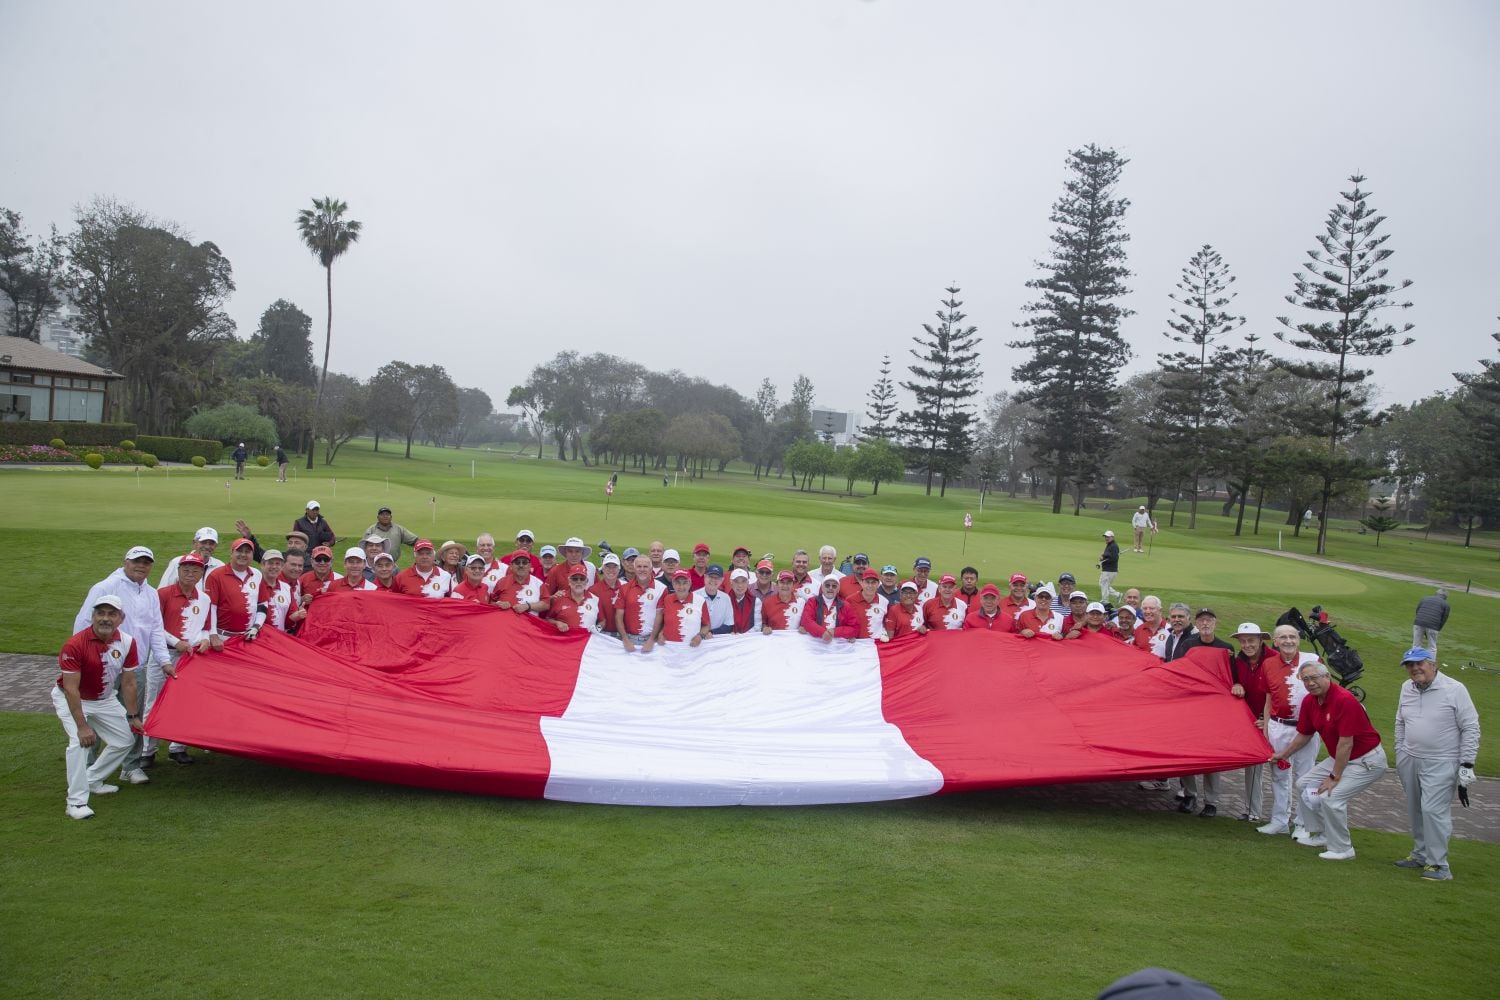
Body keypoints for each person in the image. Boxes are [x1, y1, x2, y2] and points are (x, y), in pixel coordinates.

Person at [1271, 661, 1389, 860]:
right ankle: (1323, 834)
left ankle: (1343, 848)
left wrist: (1335, 776)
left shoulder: (1345, 700)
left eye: (1314, 678)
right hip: (1342, 757)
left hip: (1367, 760)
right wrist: (1284, 754)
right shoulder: (1310, 701)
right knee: (1303, 784)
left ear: (1327, 677)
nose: (1310, 683)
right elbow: (1304, 734)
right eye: (1306, 679)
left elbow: (1346, 744)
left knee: (1332, 798)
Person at [74, 545, 171, 786]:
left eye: (146, 562)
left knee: (133, 715)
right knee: (95, 716)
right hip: (102, 665)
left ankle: (130, 766)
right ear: (125, 562)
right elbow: (83, 622)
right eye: (136, 561)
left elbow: (156, 629)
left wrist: (164, 661)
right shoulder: (106, 586)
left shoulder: (150, 593)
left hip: (134, 665)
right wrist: (84, 659)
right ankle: (88, 767)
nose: (141, 566)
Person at [1392, 647, 1481, 881]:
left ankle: (1439, 865)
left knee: (1433, 811)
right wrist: (1400, 751)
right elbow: (1400, 721)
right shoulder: (1406, 688)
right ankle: (1420, 854)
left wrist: (1467, 764)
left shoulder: (1455, 689)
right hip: (1409, 758)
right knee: (1416, 809)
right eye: (1409, 665)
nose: (1414, 668)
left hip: (1442, 761)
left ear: (1433, 664)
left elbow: (1471, 727)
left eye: (1419, 663)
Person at [54, 595, 141, 819]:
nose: (105, 619)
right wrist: (82, 727)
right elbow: (72, 689)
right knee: (79, 744)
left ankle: (91, 779)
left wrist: (133, 716)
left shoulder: (128, 642)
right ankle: (75, 802)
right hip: (72, 698)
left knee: (124, 741)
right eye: (100, 613)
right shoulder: (74, 645)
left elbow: (129, 682)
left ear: (121, 619)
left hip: (104, 699)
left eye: (111, 614)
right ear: (92, 617)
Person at [151, 553, 221, 766]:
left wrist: (204, 640)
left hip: (190, 657)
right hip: (163, 654)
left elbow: (206, 628)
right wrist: (176, 641)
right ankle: (146, 752)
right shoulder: (162, 594)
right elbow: (154, 627)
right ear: (178, 571)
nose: (190, 574)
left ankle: (178, 747)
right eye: (186, 570)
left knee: (184, 702)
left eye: (195, 570)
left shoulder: (205, 598)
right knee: (153, 702)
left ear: (201, 573)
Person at [1253, 625, 1321, 837]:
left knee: (1306, 776)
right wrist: (1265, 728)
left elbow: (1323, 693)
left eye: (1292, 636)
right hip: (1278, 726)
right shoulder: (1268, 664)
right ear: (1275, 641)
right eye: (1283, 637)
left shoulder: (1312, 661)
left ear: (1298, 640)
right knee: (1279, 775)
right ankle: (1280, 820)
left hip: (1306, 728)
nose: (1288, 641)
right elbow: (1268, 698)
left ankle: (1302, 823)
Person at [1175, 609, 1234, 818]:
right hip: (1189, 707)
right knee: (1187, 753)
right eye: (1202, 620)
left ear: (1216, 623)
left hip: (1214, 710)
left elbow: (1231, 678)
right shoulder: (1187, 645)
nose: (1205, 623)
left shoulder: (1226, 648)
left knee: (1212, 757)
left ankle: (1211, 801)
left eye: (1209, 620)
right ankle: (1190, 795)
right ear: (1197, 623)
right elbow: (1179, 672)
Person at [1229, 623, 1277, 823]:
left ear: (1260, 640)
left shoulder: (1275, 658)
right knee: (1254, 765)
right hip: (1249, 720)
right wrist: (1236, 683)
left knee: (1281, 770)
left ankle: (1283, 816)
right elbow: (1229, 681)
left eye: (1251, 640)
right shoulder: (1237, 662)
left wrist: (1268, 718)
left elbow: (1280, 691)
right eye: (1243, 641)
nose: (1247, 645)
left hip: (1274, 720)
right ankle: (1253, 811)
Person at [205, 537, 267, 640]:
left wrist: (256, 626)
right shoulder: (216, 575)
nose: (243, 555)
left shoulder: (257, 574)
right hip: (223, 637)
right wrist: (213, 634)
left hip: (249, 637)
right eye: (239, 551)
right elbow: (211, 607)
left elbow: (262, 604)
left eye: (247, 552)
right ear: (232, 553)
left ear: (252, 555)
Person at [616, 558, 665, 652]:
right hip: (629, 640)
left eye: (645, 567)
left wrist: (651, 640)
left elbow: (660, 616)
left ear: (651, 569)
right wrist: (625, 639)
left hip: (652, 640)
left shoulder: (661, 589)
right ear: (634, 569)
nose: (642, 569)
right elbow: (618, 616)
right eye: (639, 566)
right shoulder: (624, 588)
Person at [655, 570, 709, 645]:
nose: (681, 587)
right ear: (673, 584)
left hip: (691, 648)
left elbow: (706, 625)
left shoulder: (700, 601)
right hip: (668, 647)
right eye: (677, 583)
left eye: (685, 583)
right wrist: (660, 634)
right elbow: (665, 622)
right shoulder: (667, 599)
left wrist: (700, 636)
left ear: (690, 583)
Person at [799, 575, 860, 643]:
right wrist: (822, 633)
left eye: (834, 586)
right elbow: (806, 621)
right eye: (827, 585)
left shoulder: (846, 606)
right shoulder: (812, 602)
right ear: (822, 588)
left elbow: (855, 628)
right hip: (815, 643)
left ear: (838, 589)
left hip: (836, 645)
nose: (830, 588)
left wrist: (835, 632)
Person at [158, 527, 224, 587]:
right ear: (194, 543)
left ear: (216, 546)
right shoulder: (178, 562)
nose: (207, 546)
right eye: (203, 542)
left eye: (211, 543)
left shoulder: (220, 566)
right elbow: (163, 589)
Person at [546, 566, 602, 632]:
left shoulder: (595, 600)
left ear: (587, 581)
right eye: (575, 579)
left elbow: (602, 621)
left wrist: (597, 629)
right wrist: (557, 623)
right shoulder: (558, 599)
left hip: (589, 640)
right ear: (569, 581)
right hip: (566, 640)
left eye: (582, 579)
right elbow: (548, 619)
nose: (578, 582)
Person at [491, 550, 545, 615]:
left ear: (530, 566)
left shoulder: (538, 584)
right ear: (511, 566)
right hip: (506, 623)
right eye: (517, 562)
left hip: (529, 623)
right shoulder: (502, 582)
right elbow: (492, 602)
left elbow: (546, 604)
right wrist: (498, 604)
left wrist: (528, 606)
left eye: (524, 562)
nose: (521, 565)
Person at [258, 550, 295, 631]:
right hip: (257, 638)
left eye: (277, 564)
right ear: (262, 565)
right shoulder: (255, 586)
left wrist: (296, 617)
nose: (274, 567)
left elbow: (288, 623)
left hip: (278, 638)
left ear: (282, 567)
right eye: (270, 563)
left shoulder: (287, 588)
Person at [848, 569, 889, 640]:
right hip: (855, 643)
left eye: (873, 583)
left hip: (876, 644)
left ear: (878, 584)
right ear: (861, 583)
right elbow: (844, 622)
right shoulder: (850, 600)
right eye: (867, 582)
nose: (870, 585)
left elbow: (886, 624)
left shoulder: (884, 602)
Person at [1412, 588, 1450, 656]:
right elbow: (1443, 619)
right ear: (1445, 597)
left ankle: (1414, 663)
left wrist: (1419, 621)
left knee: (1416, 645)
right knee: (1432, 647)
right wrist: (1437, 629)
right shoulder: (1446, 604)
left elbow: (1417, 611)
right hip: (1433, 626)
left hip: (1418, 622)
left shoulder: (1425, 598)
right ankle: (1430, 664)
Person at [590, 554, 622, 634]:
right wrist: (597, 631)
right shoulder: (593, 590)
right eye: (608, 566)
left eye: (614, 567)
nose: (611, 570)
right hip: (602, 634)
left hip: (623, 634)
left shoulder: (626, 587)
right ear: (603, 568)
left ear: (619, 569)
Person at [724, 568, 763, 634]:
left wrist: (741, 636)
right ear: (731, 582)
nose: (740, 585)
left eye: (743, 581)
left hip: (748, 640)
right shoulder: (724, 601)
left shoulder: (756, 601)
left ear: (748, 583)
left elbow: (757, 627)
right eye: (736, 581)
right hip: (729, 639)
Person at [701, 565, 733, 634]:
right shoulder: (694, 596)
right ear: (705, 577)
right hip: (696, 639)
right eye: (710, 576)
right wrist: (702, 634)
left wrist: (711, 633)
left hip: (718, 640)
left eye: (717, 578)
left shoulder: (726, 598)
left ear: (722, 580)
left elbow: (728, 625)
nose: (713, 580)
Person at [1098, 530, 1121, 602]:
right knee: (1103, 584)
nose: (1106, 538)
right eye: (1105, 537)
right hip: (1108, 569)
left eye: (1108, 537)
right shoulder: (1110, 545)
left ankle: (1104, 600)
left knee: (1104, 585)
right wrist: (1104, 556)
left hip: (1109, 570)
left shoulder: (1113, 546)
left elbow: (1114, 558)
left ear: (1112, 537)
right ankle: (1117, 595)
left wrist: (1103, 557)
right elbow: (1110, 555)